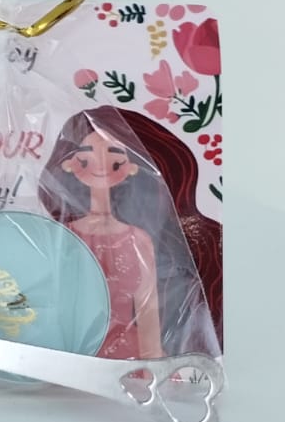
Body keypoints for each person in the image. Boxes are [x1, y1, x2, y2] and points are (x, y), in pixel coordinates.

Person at [38, 107, 221, 359]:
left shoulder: (137, 239)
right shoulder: (63, 237)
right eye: (86, 160)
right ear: (68, 164)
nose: (101, 168)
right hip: (73, 350)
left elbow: (148, 310)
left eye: (115, 161)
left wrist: (154, 356)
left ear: (132, 168)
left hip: (127, 352)